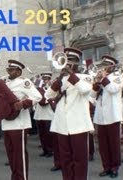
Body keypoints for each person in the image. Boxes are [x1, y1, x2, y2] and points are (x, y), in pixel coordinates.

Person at [45, 48, 94, 180]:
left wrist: (71, 75)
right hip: (62, 124)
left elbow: (84, 90)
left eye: (70, 61)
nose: (66, 64)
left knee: (79, 159)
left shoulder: (86, 77)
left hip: (78, 124)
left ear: (77, 63)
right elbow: (48, 95)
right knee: (65, 159)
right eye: (65, 60)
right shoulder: (62, 79)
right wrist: (59, 79)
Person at [2, 60, 42, 180]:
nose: (9, 72)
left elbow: (37, 96)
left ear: (19, 71)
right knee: (11, 154)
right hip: (6, 122)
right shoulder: (6, 84)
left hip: (19, 123)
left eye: (12, 70)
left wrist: (23, 103)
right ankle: (15, 177)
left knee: (19, 155)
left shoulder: (25, 82)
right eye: (8, 70)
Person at [34, 72, 54, 158]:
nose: (45, 81)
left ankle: (50, 150)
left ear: (49, 80)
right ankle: (44, 149)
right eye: (44, 79)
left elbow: (49, 100)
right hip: (39, 114)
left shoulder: (52, 88)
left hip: (48, 115)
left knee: (48, 135)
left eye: (47, 79)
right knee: (42, 134)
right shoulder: (39, 88)